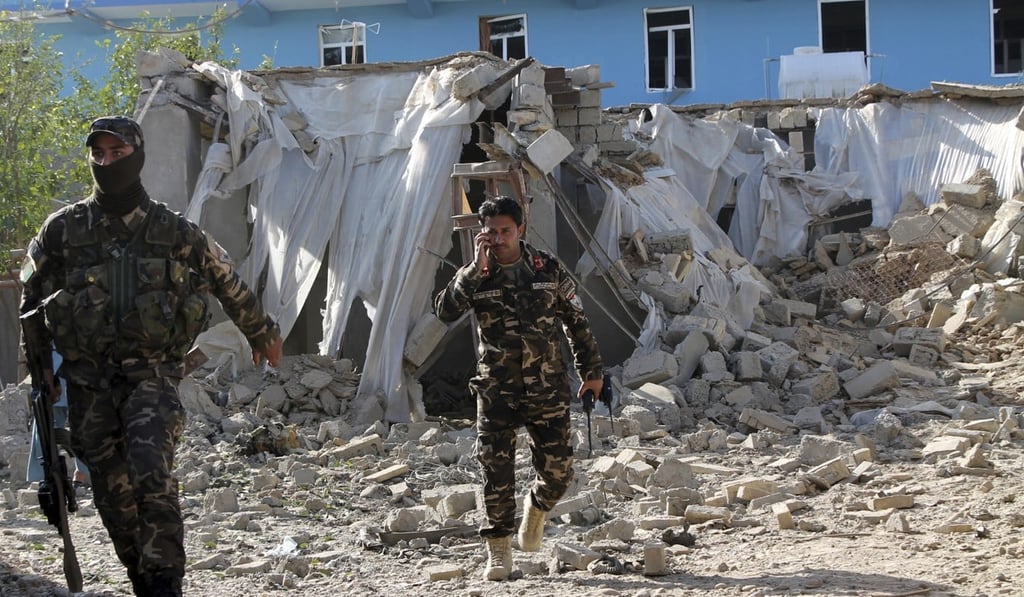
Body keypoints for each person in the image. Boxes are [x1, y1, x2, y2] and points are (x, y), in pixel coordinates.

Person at [19, 116, 283, 597]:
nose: (106, 162)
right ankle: (143, 578)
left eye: (117, 153)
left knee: (150, 468)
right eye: (98, 154)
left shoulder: (173, 230)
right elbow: (30, 301)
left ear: (137, 157)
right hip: (88, 382)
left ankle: (165, 582)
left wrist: (261, 332)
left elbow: (225, 279)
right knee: (111, 493)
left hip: (152, 376)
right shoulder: (63, 230)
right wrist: (41, 373)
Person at [433, 196, 603, 581]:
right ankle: (499, 550)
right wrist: (474, 270)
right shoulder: (476, 274)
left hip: (546, 388)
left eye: (505, 231)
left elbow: (576, 321)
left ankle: (537, 508)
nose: (497, 239)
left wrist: (591, 372)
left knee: (559, 472)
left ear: (520, 230)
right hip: (497, 390)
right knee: (496, 474)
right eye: (490, 232)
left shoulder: (547, 269)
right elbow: (444, 311)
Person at [26, 349, 90, 491]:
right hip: (53, 367)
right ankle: (45, 475)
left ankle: (83, 472)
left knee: (84, 423)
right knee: (45, 426)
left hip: (79, 364)